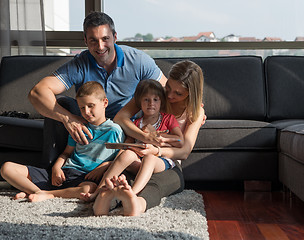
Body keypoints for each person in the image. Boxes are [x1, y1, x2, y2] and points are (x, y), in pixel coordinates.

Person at [25, 11, 185, 210]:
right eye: (93, 41)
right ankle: (54, 176)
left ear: (115, 37)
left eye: (105, 39)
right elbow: (37, 92)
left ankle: (107, 193)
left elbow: (167, 94)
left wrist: (194, 109)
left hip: (126, 134)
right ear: (85, 41)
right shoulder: (80, 63)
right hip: (92, 134)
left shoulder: (138, 61)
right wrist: (69, 118)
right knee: (62, 104)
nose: (100, 47)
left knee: (142, 172)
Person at [92, 60, 205, 216]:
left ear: (191, 93)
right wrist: (145, 137)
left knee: (154, 186)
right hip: (139, 157)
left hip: (168, 164)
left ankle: (136, 203)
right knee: (123, 181)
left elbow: (184, 151)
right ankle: (103, 199)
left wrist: (157, 150)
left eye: (178, 93)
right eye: (169, 87)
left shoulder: (195, 112)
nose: (170, 95)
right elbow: (121, 118)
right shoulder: (155, 94)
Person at [0, 81, 125, 201]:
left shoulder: (115, 131)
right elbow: (66, 153)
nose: (86, 112)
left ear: (105, 103)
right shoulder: (78, 127)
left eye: (91, 106)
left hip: (83, 178)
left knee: (89, 189)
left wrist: (105, 166)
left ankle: (41, 193)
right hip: (63, 173)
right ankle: (38, 192)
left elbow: (120, 160)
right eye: (82, 108)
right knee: (7, 168)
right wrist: (56, 168)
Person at [82, 79, 184, 203]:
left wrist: (161, 140)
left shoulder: (168, 119)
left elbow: (180, 140)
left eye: (155, 100)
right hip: (138, 162)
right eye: (146, 100)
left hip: (160, 161)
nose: (151, 103)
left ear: (161, 102)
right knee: (127, 154)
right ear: (139, 103)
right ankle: (97, 192)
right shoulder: (135, 123)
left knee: (150, 158)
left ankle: (133, 193)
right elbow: (126, 146)